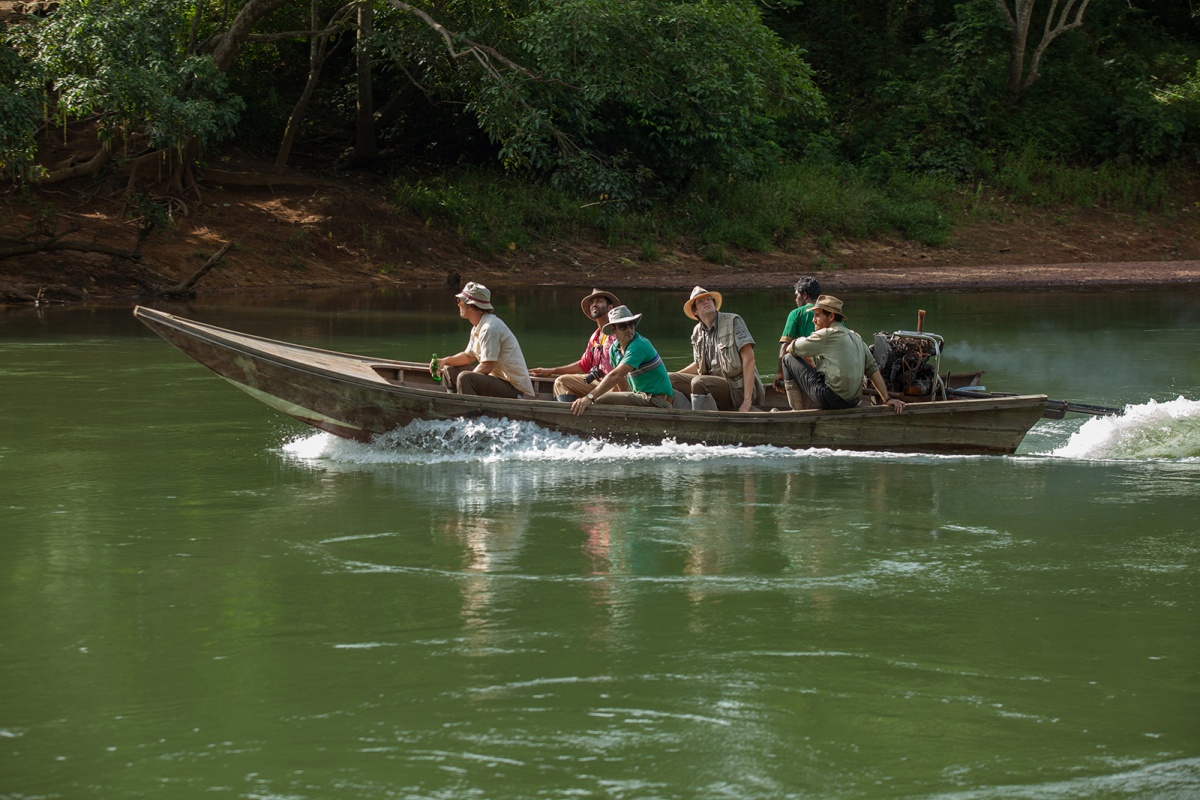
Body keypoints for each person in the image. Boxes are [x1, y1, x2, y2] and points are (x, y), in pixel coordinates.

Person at [781, 295, 905, 413]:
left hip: (830, 399)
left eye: (817, 315)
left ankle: (797, 412)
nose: (814, 320)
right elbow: (872, 369)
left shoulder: (827, 334)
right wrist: (887, 399)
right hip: (852, 401)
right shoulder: (856, 337)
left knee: (787, 359)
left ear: (831, 317)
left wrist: (806, 355)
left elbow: (791, 347)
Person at [668, 286, 764, 412]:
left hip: (736, 388)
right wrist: (670, 376)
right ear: (695, 311)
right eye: (700, 301)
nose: (706, 302)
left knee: (699, 382)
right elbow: (698, 365)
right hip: (710, 385)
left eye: (709, 299)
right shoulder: (697, 331)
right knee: (669, 379)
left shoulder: (733, 321)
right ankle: (683, 415)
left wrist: (747, 401)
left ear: (714, 303)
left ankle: (702, 421)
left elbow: (749, 359)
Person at [435, 281, 535, 399]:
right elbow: (468, 357)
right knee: (449, 369)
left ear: (470, 305)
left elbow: (487, 366)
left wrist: (467, 379)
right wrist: (444, 361)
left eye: (460, 301)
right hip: (496, 380)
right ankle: (454, 403)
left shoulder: (490, 328)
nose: (458, 304)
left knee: (465, 378)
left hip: (514, 388)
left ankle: (468, 413)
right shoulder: (478, 326)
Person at [571, 305, 675, 415]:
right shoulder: (614, 349)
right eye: (622, 326)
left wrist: (589, 397)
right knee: (601, 397)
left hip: (657, 401)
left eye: (631, 324)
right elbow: (622, 384)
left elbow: (616, 375)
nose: (629, 329)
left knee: (602, 399)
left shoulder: (639, 345)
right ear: (613, 329)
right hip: (641, 397)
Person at [529, 288, 626, 401]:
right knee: (561, 382)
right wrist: (551, 370)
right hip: (599, 382)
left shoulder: (618, 334)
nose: (594, 305)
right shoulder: (595, 336)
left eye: (599, 301)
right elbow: (583, 365)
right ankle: (570, 415)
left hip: (615, 386)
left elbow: (624, 370)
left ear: (610, 308)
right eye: (592, 303)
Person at [774, 277, 821, 404]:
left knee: (788, 358)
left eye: (797, 296)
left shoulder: (796, 313)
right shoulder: (830, 314)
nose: (795, 299)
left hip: (809, 376)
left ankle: (796, 406)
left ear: (805, 295)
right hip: (830, 374)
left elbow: (785, 346)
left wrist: (780, 374)